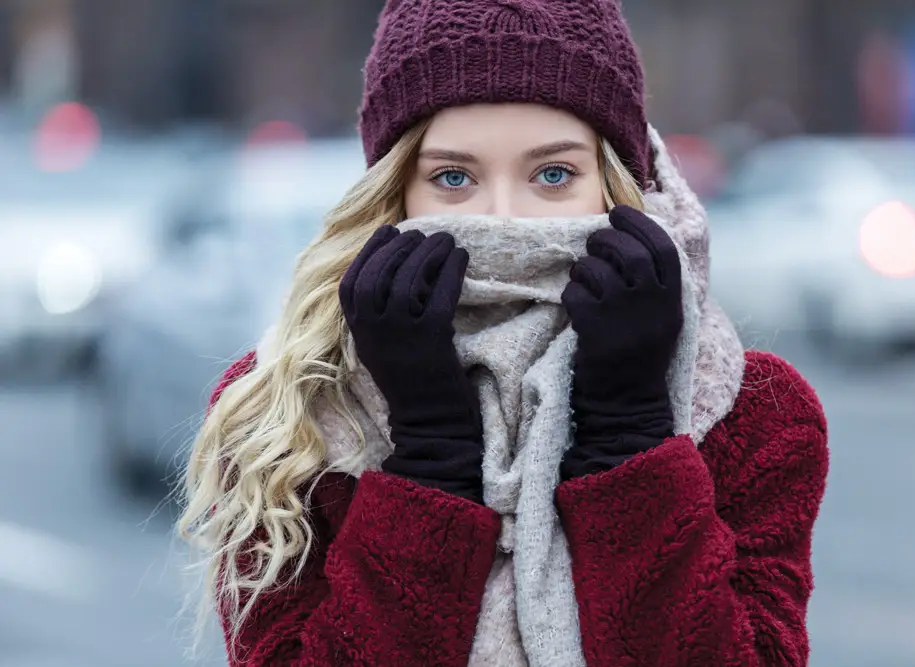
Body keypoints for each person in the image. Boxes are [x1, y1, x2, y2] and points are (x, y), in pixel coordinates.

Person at [178, 1, 829, 666]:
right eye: (453, 178)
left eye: (554, 174)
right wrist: (427, 460)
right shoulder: (283, 416)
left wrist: (632, 438)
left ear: (617, 183)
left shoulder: (755, 415)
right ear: (394, 190)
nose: (505, 218)